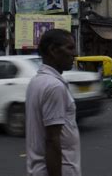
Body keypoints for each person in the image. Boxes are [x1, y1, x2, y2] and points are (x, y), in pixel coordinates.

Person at [26, 29, 81, 176]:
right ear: (53, 50)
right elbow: (52, 140)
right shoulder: (54, 86)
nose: (75, 54)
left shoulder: (37, 81)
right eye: (69, 48)